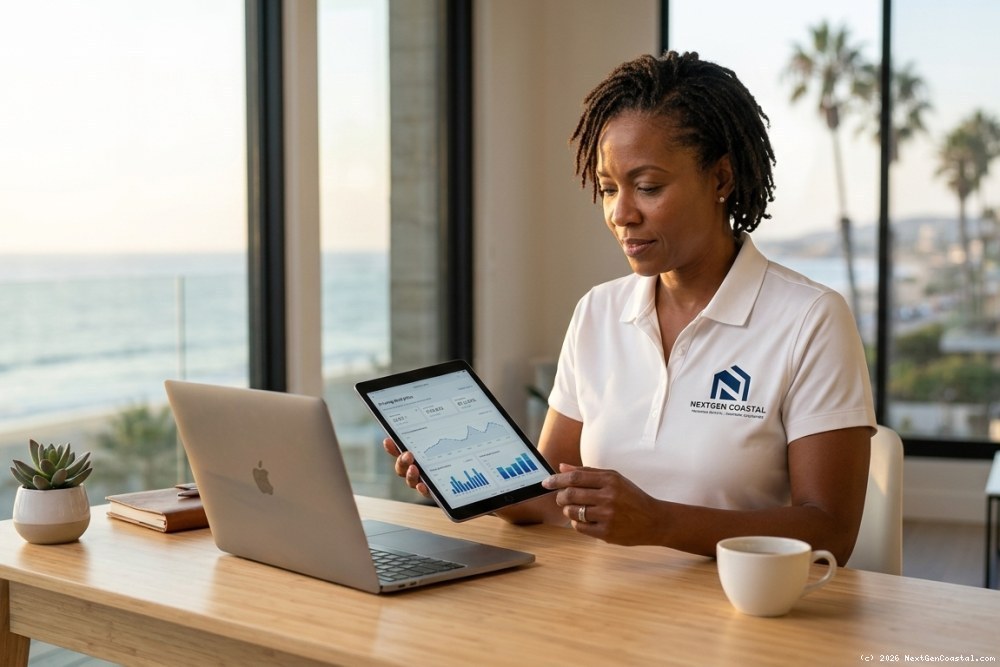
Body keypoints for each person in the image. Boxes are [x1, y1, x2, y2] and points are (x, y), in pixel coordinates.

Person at [385, 51, 876, 565]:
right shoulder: (598, 312)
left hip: (742, 617)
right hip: (606, 608)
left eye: (648, 187)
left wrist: (661, 522)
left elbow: (830, 531)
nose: (622, 214)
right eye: (607, 188)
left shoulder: (810, 318)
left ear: (721, 180)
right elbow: (549, 491)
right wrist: (464, 479)